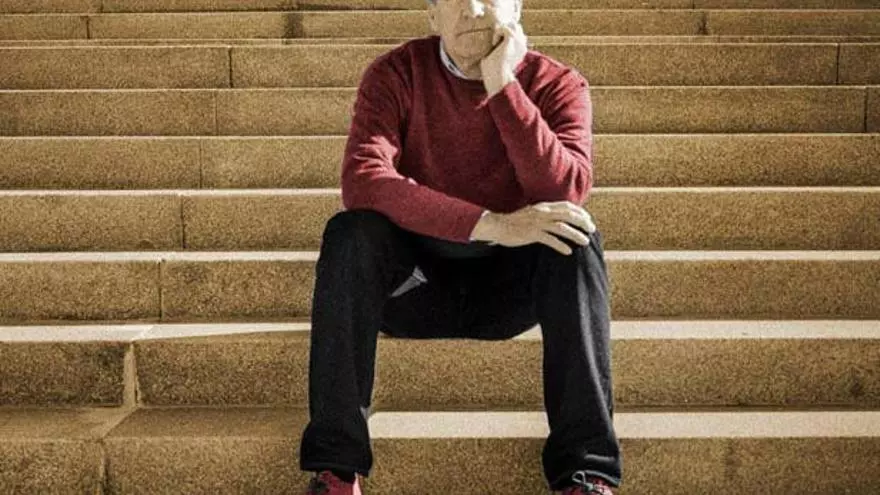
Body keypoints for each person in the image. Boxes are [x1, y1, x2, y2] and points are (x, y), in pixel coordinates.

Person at [299, 0, 622, 493]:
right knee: (350, 233)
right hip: (413, 289)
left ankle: (586, 472)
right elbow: (363, 179)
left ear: (517, 9)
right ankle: (337, 471)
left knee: (575, 237)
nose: (473, 9)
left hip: (511, 294)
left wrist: (503, 84)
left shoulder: (557, 83)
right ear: (433, 17)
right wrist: (491, 224)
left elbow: (565, 189)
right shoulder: (396, 73)